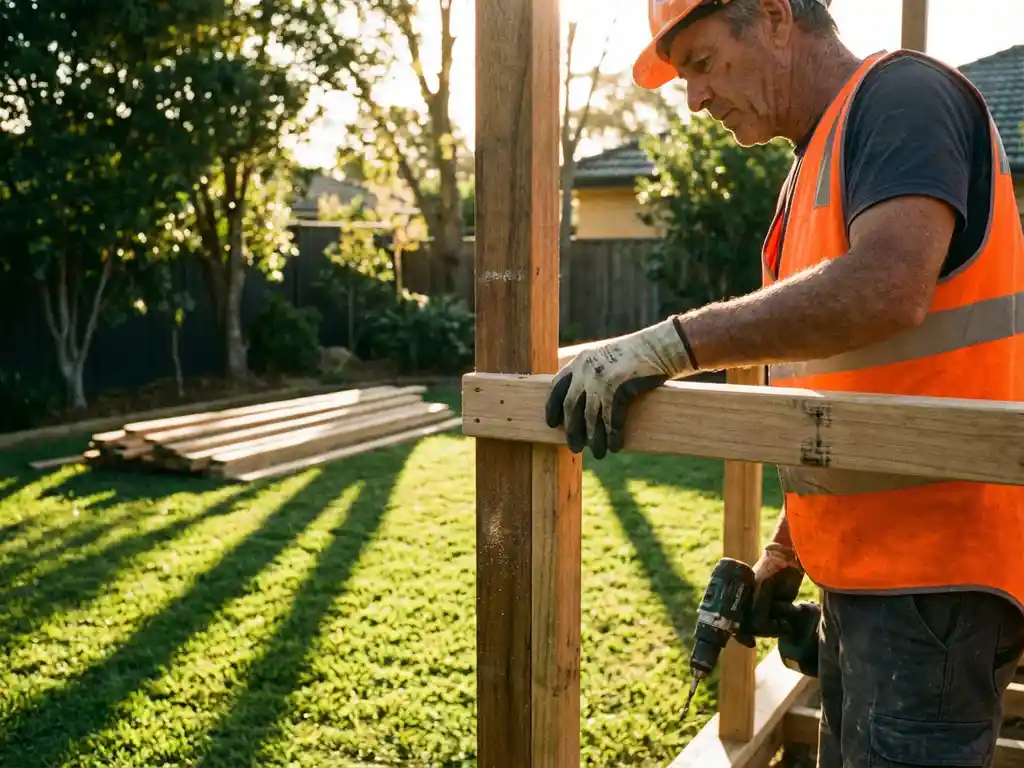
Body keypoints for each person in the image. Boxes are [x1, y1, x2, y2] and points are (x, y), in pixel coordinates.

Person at [543, 0, 1024, 765]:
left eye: (701, 64)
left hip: (937, 574)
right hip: (873, 574)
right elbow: (842, 383)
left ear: (772, 16)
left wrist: (669, 345)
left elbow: (887, 287)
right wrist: (787, 550)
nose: (694, 98)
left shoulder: (904, 95)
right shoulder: (814, 166)